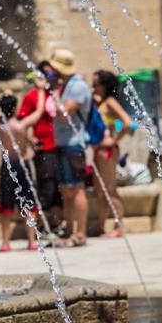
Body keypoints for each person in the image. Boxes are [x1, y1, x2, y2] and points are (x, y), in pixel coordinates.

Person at [0, 80, 46, 252]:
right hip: (23, 165)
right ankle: (32, 241)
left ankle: (5, 242)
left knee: (6, 205)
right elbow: (39, 111)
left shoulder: (0, 126)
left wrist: (4, 94)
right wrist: (40, 91)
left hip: (8, 166)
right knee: (28, 204)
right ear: (15, 108)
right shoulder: (22, 125)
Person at [47, 49, 91, 247]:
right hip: (64, 144)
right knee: (66, 189)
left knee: (77, 188)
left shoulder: (77, 86)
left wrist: (54, 93)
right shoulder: (66, 85)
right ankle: (70, 232)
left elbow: (63, 114)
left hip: (74, 144)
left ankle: (80, 233)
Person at [17, 61, 64, 234]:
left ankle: (57, 223)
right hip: (44, 149)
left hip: (61, 146)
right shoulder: (32, 96)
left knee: (59, 187)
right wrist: (30, 142)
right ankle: (43, 226)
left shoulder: (58, 94)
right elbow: (23, 122)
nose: (48, 78)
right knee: (46, 186)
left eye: (52, 74)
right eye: (45, 74)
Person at [92, 70, 136, 237]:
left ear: (104, 86)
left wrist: (113, 140)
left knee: (110, 189)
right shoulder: (101, 102)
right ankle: (100, 226)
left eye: (96, 84)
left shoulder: (110, 102)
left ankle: (119, 227)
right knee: (99, 190)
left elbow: (127, 123)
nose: (93, 87)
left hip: (108, 150)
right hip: (99, 150)